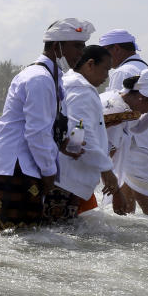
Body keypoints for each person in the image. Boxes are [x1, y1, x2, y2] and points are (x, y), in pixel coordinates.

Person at [0, 18, 93, 236]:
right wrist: (49, 172)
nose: (81, 52)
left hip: (26, 164)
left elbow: (48, 125)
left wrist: (62, 144)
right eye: (77, 46)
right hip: (18, 165)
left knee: (16, 234)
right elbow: (36, 133)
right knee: (3, 234)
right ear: (57, 47)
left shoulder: (53, 78)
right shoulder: (39, 79)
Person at [99, 29, 148, 215]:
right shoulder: (145, 67)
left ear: (115, 48)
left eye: (104, 53)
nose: (106, 62)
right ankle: (129, 232)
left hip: (138, 142)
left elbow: (118, 108)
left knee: (147, 199)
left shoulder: (123, 71)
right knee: (128, 192)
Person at [47, 45, 119, 219]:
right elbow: (81, 133)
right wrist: (107, 169)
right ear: (90, 64)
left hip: (62, 172)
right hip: (67, 177)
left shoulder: (71, 85)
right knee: (59, 236)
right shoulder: (81, 90)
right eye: (105, 70)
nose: (106, 77)